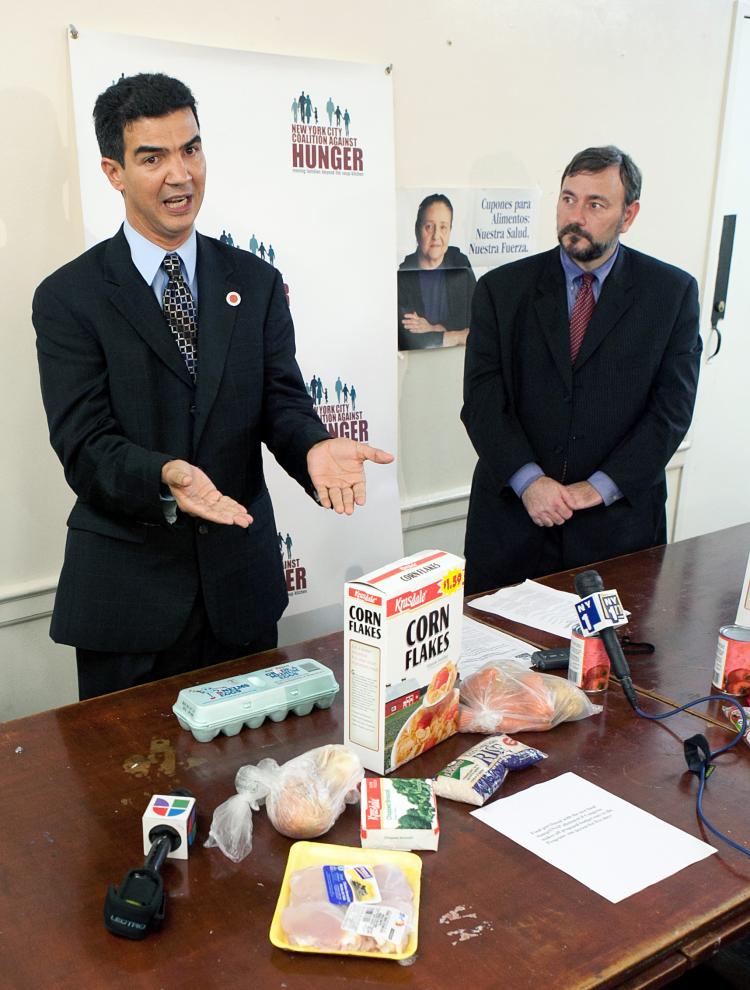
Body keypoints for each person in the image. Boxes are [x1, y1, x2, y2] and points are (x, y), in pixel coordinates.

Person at [32, 73, 393, 699]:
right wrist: (166, 475)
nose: (180, 174)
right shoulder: (70, 298)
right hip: (129, 610)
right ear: (114, 172)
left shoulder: (253, 282)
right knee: (135, 794)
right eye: (153, 157)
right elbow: (84, 445)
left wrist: (311, 446)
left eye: (191, 149)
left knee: (255, 782)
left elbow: (281, 401)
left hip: (240, 594)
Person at [462, 146, 701, 594]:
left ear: (628, 215)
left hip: (617, 530)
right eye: (568, 198)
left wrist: (599, 487)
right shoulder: (501, 290)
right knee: (495, 662)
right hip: (513, 528)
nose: (576, 215)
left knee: (616, 664)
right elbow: (481, 401)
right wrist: (530, 482)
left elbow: (671, 411)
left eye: (596, 204)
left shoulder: (671, 294)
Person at [398, 193, 476, 350]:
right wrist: (458, 335)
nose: (436, 236)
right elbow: (409, 340)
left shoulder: (461, 264)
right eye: (429, 227)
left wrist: (433, 328)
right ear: (416, 230)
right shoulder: (403, 276)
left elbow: (476, 321)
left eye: (443, 227)